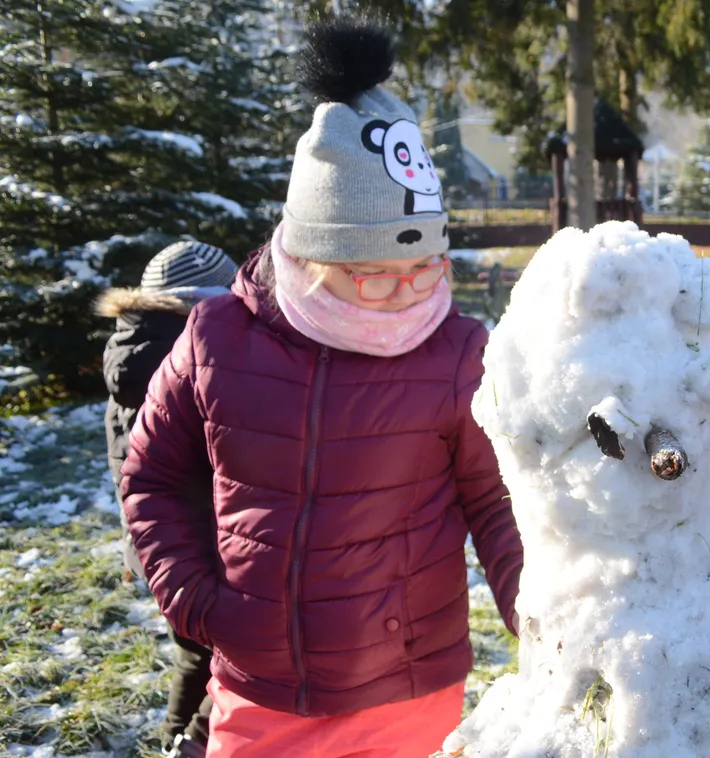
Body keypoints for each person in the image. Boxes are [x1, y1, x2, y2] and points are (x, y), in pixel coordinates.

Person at [119, 20, 523, 758]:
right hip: (261, 689)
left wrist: (532, 604)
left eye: (427, 268)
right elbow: (149, 474)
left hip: (411, 689)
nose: (409, 294)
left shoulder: (459, 353)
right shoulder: (217, 341)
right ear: (311, 255)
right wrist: (198, 602)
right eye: (375, 276)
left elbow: (495, 499)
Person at [97, 240, 237, 758]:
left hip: (158, 547)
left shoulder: (132, 352)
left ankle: (177, 739)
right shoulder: (181, 365)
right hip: (195, 548)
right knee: (219, 659)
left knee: (196, 657)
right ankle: (189, 742)